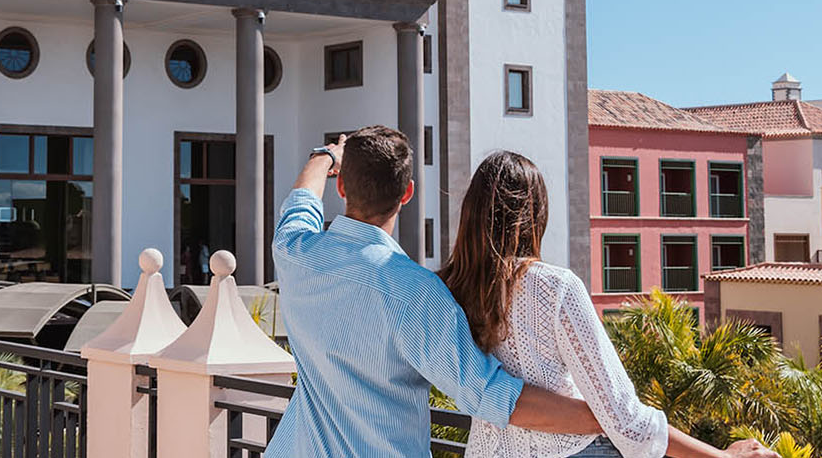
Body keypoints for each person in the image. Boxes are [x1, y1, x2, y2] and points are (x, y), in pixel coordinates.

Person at [265, 127, 773, 458]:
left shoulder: (295, 252)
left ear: (342, 188)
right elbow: (492, 395)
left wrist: (326, 154)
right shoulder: (415, 293)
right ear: (407, 193)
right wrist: (606, 417)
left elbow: (299, 202)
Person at [440, 151, 771, 458]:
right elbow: (623, 416)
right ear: (535, 216)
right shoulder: (554, 287)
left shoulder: (449, 289)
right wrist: (723, 456)